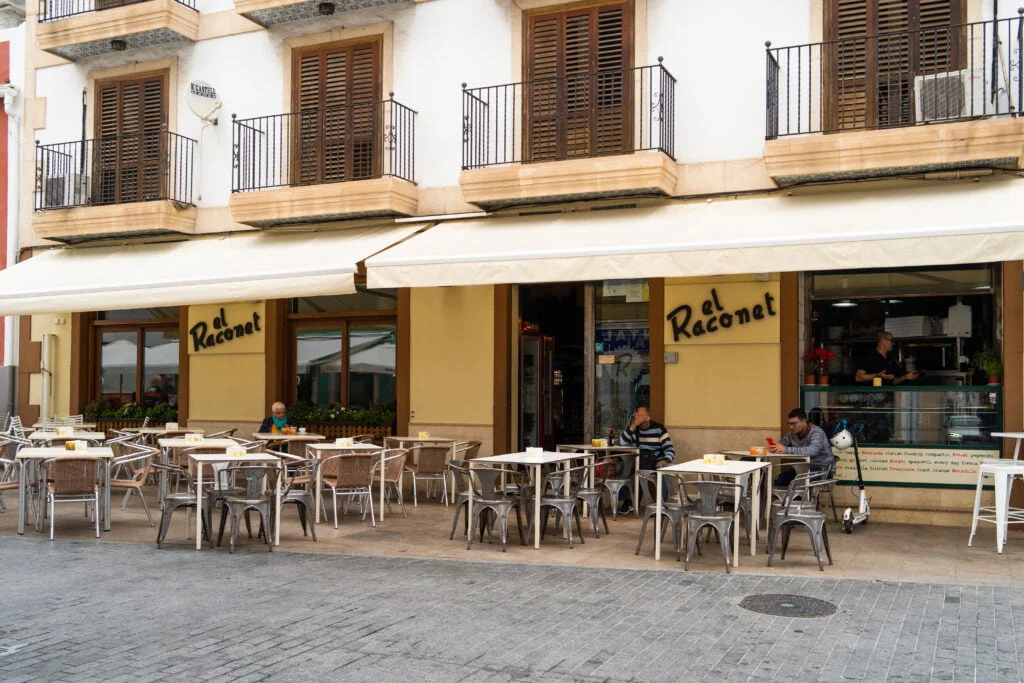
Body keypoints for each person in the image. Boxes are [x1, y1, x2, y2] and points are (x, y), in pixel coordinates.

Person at [617, 406, 676, 512]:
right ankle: (629, 500)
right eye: (640, 417)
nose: (643, 420)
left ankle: (663, 506)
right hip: (639, 462)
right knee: (619, 468)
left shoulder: (658, 428)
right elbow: (622, 443)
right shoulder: (634, 429)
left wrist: (665, 460)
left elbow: (670, 449)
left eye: (645, 416)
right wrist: (634, 424)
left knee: (663, 472)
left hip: (656, 461)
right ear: (636, 417)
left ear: (649, 416)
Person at [770, 408, 836, 486]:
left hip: (822, 470)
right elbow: (783, 443)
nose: (791, 427)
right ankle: (789, 498)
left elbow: (813, 450)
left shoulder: (817, 432)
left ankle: (802, 498)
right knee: (780, 480)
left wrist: (785, 449)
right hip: (804, 469)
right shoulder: (792, 434)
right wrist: (775, 446)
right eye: (789, 424)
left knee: (799, 482)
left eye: (794, 423)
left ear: (804, 421)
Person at [855, 331, 919, 385]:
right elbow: (858, 377)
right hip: (872, 396)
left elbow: (892, 381)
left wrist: (905, 377)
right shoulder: (869, 355)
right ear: (883, 341)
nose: (893, 343)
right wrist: (877, 375)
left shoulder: (889, 359)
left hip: (887, 395)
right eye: (891, 341)